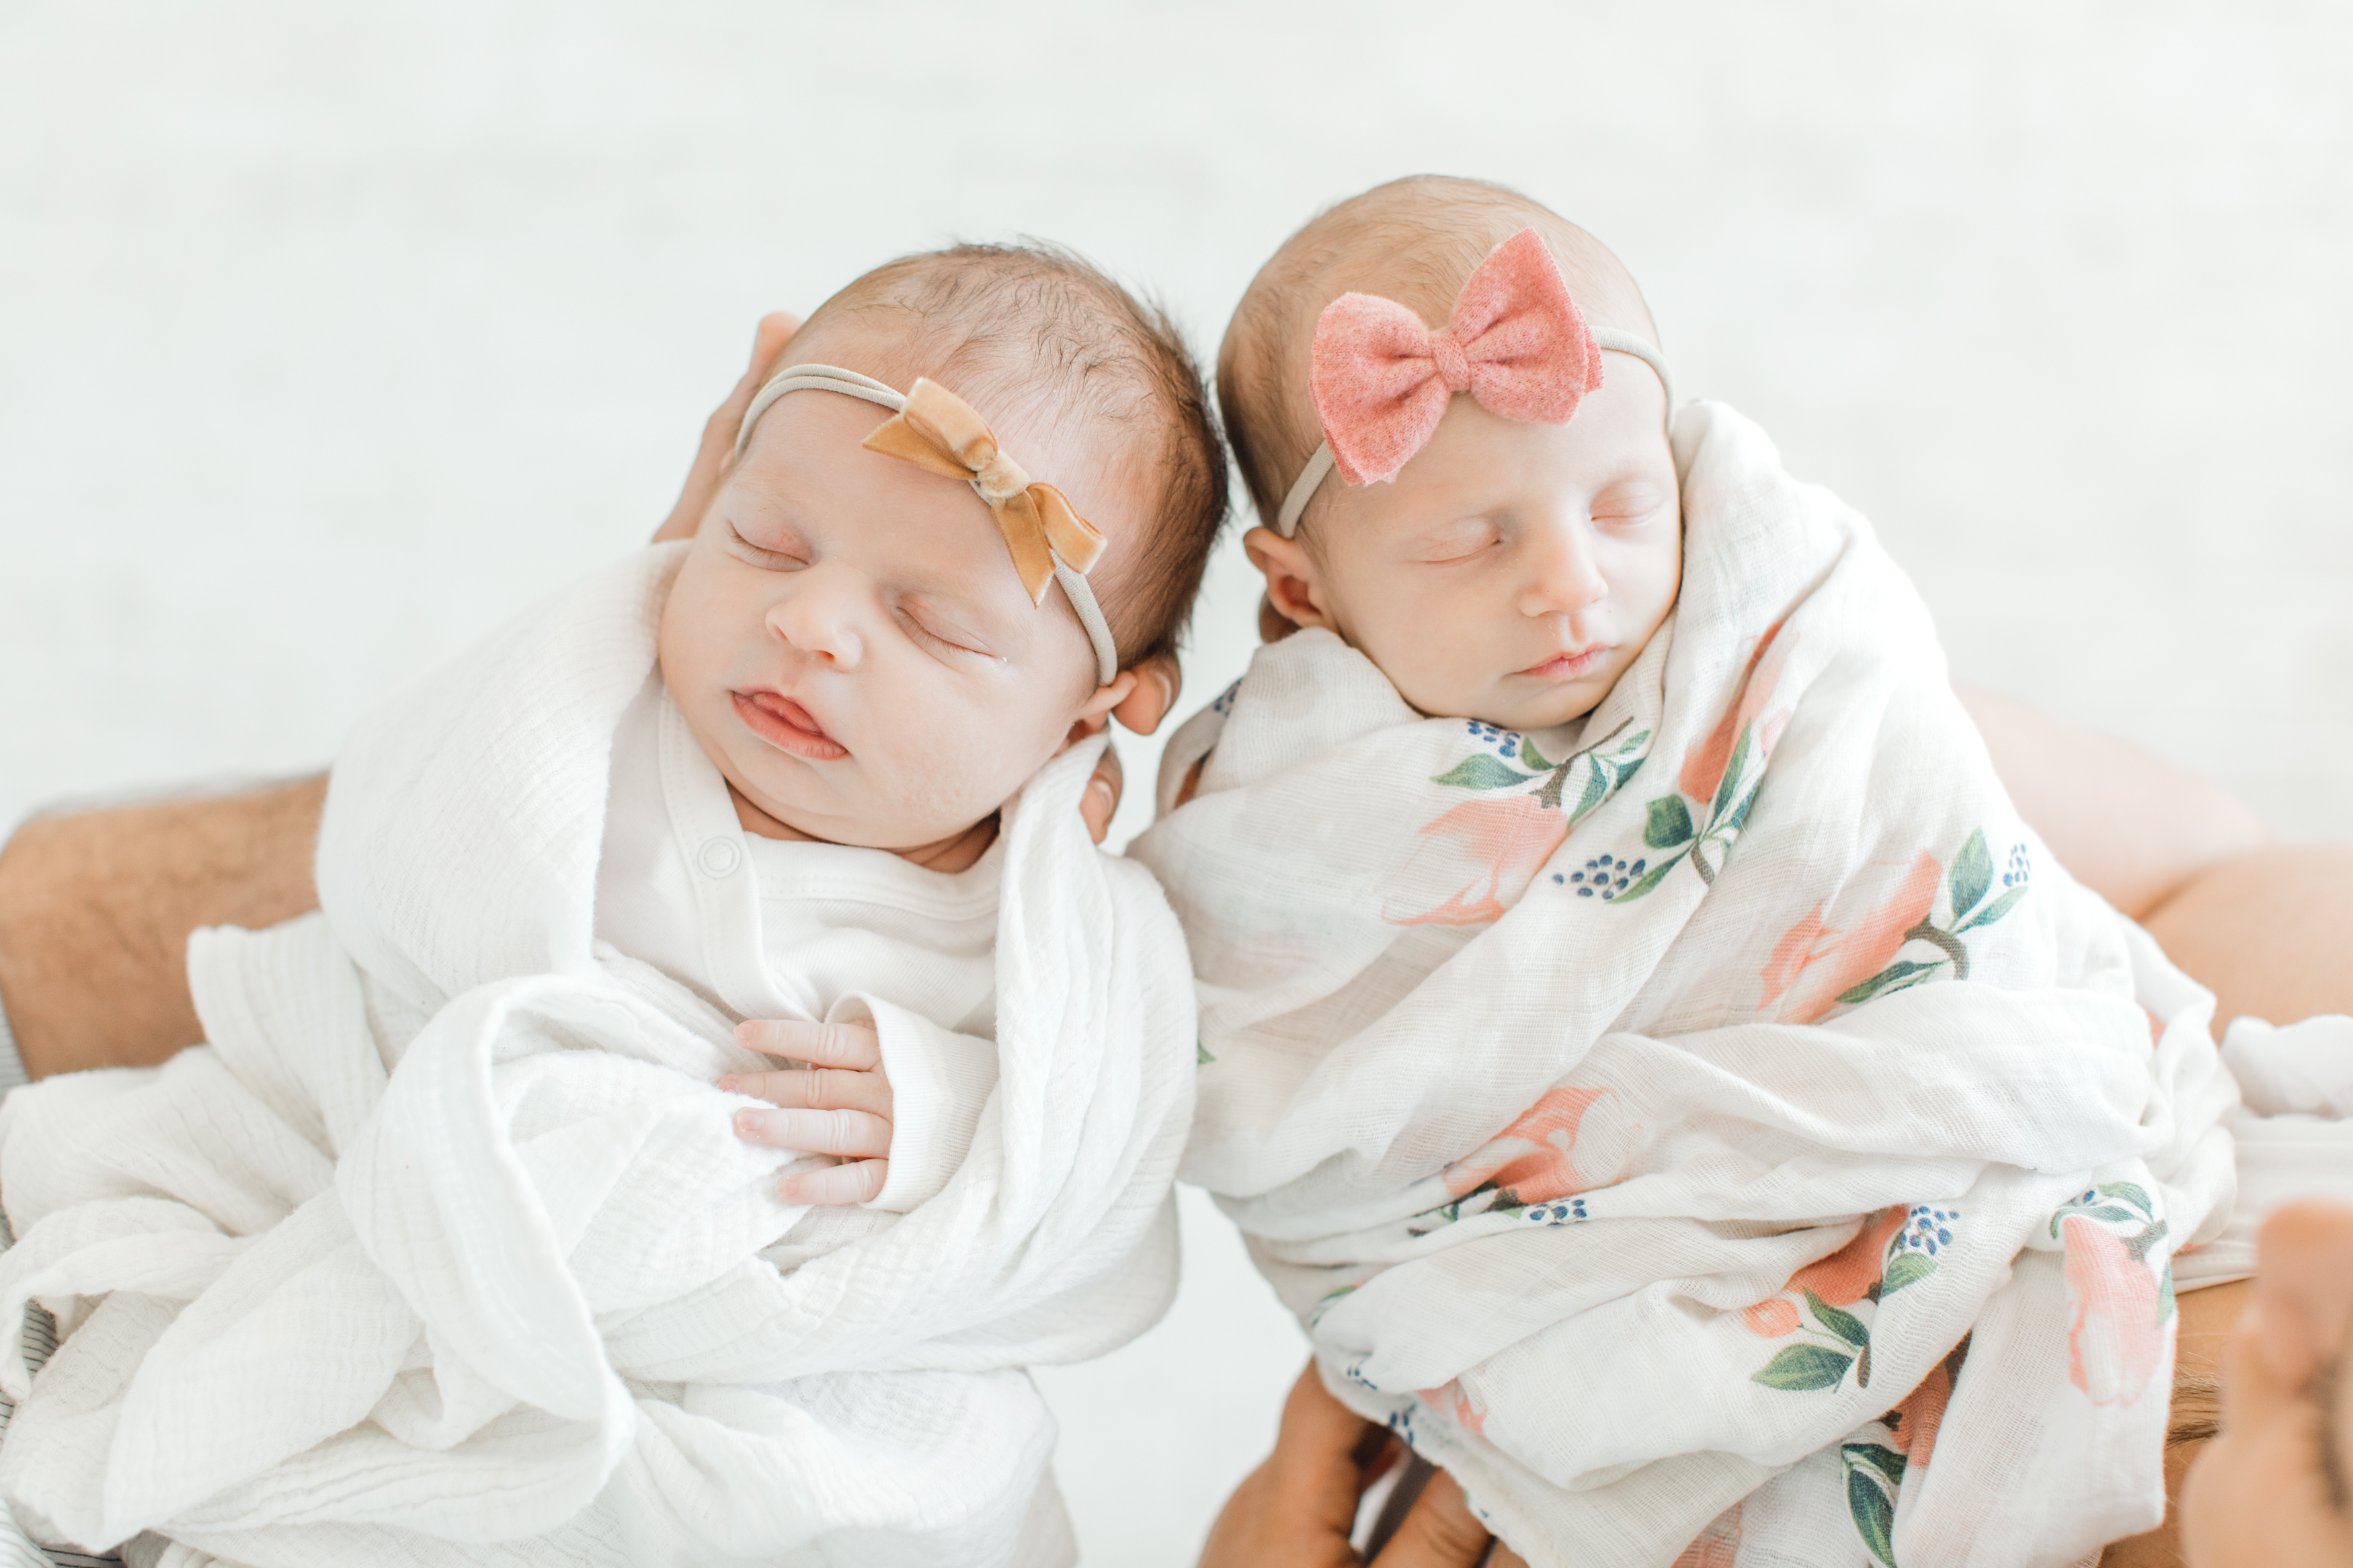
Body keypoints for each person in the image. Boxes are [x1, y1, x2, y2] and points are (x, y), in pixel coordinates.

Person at [1136, 174, 2353, 1566]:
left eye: (1623, 506)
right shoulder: (1298, 817)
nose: (1572, 586)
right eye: (1469, 539)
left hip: (1967, 1153)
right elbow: (1273, 1063)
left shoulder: (1774, 643)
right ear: (1299, 591)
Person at [0, 241, 1224, 1566]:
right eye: (765, 541)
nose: (812, 621)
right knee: (157, 1185)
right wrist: (589, 653)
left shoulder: (1054, 930)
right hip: (406, 1167)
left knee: (908, 1482)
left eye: (934, 623)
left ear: (1090, 717)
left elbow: (1091, 1157)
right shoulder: (594, 713)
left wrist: (938, 1113)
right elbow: (396, 850)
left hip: (747, 1345)